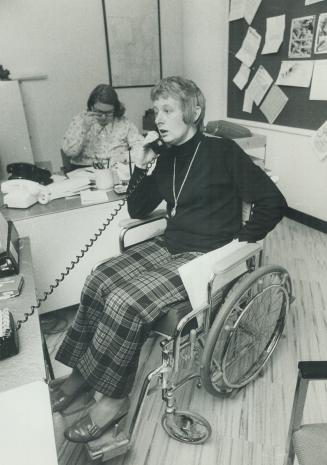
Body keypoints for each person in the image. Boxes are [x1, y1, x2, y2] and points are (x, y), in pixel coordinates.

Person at [53, 76, 287, 443]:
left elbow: (274, 202)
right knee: (98, 277)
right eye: (155, 110)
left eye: (167, 110)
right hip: (170, 244)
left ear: (192, 112)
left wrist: (239, 244)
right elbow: (138, 206)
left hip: (206, 256)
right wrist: (143, 164)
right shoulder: (165, 157)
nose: (158, 118)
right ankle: (83, 375)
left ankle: (114, 400)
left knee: (126, 301)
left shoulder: (222, 152)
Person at [61, 83, 144, 178]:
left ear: (115, 109)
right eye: (99, 112)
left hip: (116, 170)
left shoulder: (124, 123)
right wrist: (83, 129)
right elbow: (69, 152)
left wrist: (124, 156)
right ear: (91, 107)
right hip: (84, 172)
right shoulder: (80, 120)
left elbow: (142, 148)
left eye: (108, 113)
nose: (103, 117)